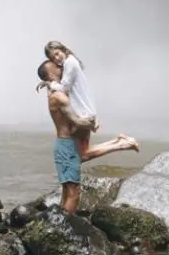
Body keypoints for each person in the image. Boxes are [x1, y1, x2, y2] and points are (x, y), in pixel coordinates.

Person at [38, 60, 139, 213]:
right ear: (51, 74)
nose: (62, 67)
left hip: (66, 143)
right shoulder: (58, 96)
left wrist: (91, 118)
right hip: (66, 144)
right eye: (58, 67)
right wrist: (91, 123)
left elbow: (80, 105)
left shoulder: (62, 91)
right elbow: (76, 121)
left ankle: (61, 222)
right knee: (72, 192)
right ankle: (66, 225)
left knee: (69, 189)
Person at [41, 40, 98, 159]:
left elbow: (64, 87)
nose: (56, 58)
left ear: (63, 49)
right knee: (82, 153)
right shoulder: (71, 61)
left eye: (57, 53)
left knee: (81, 155)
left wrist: (50, 84)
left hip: (83, 114)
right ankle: (122, 143)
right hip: (86, 112)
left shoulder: (69, 63)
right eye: (53, 58)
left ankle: (123, 143)